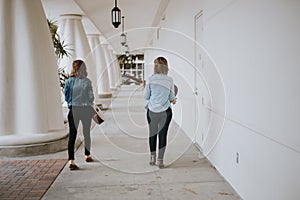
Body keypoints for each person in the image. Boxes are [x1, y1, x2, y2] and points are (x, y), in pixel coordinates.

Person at [144, 56, 176, 169]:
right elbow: (172, 97)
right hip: (165, 112)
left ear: (155, 67)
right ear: (166, 67)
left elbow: (146, 96)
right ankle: (160, 161)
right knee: (163, 135)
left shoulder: (150, 79)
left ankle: (152, 158)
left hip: (152, 111)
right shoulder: (170, 80)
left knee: (152, 134)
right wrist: (172, 99)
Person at [64, 60, 95, 170]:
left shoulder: (69, 82)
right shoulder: (87, 82)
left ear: (74, 68)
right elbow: (91, 97)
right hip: (85, 109)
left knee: (72, 135)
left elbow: (66, 96)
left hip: (73, 110)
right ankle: (87, 155)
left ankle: (71, 162)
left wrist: (71, 103)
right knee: (86, 133)